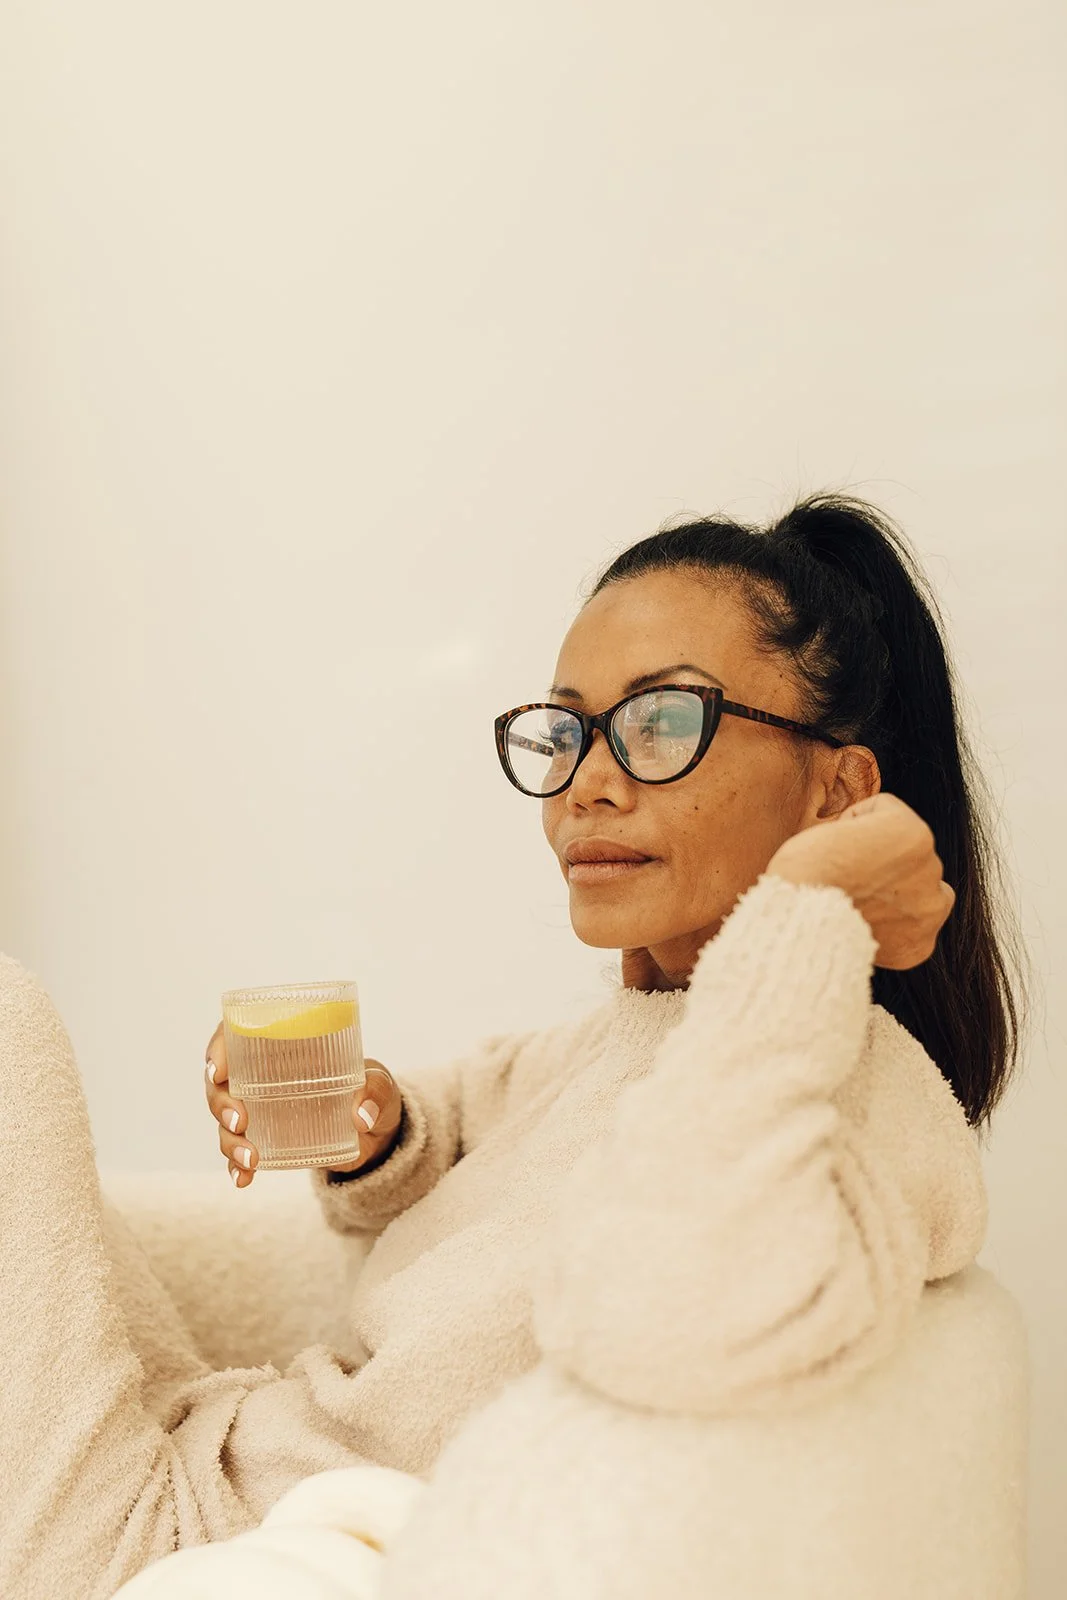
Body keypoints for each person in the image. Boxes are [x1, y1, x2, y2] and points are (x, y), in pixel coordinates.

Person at [0, 492, 1026, 1600]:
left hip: (217, 1545)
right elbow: (446, 1133)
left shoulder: (848, 1091)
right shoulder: (605, 1040)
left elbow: (662, 1305)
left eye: (660, 721)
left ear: (840, 787)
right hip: (208, 1452)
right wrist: (374, 1124)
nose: (587, 777)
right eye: (566, 729)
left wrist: (808, 912)